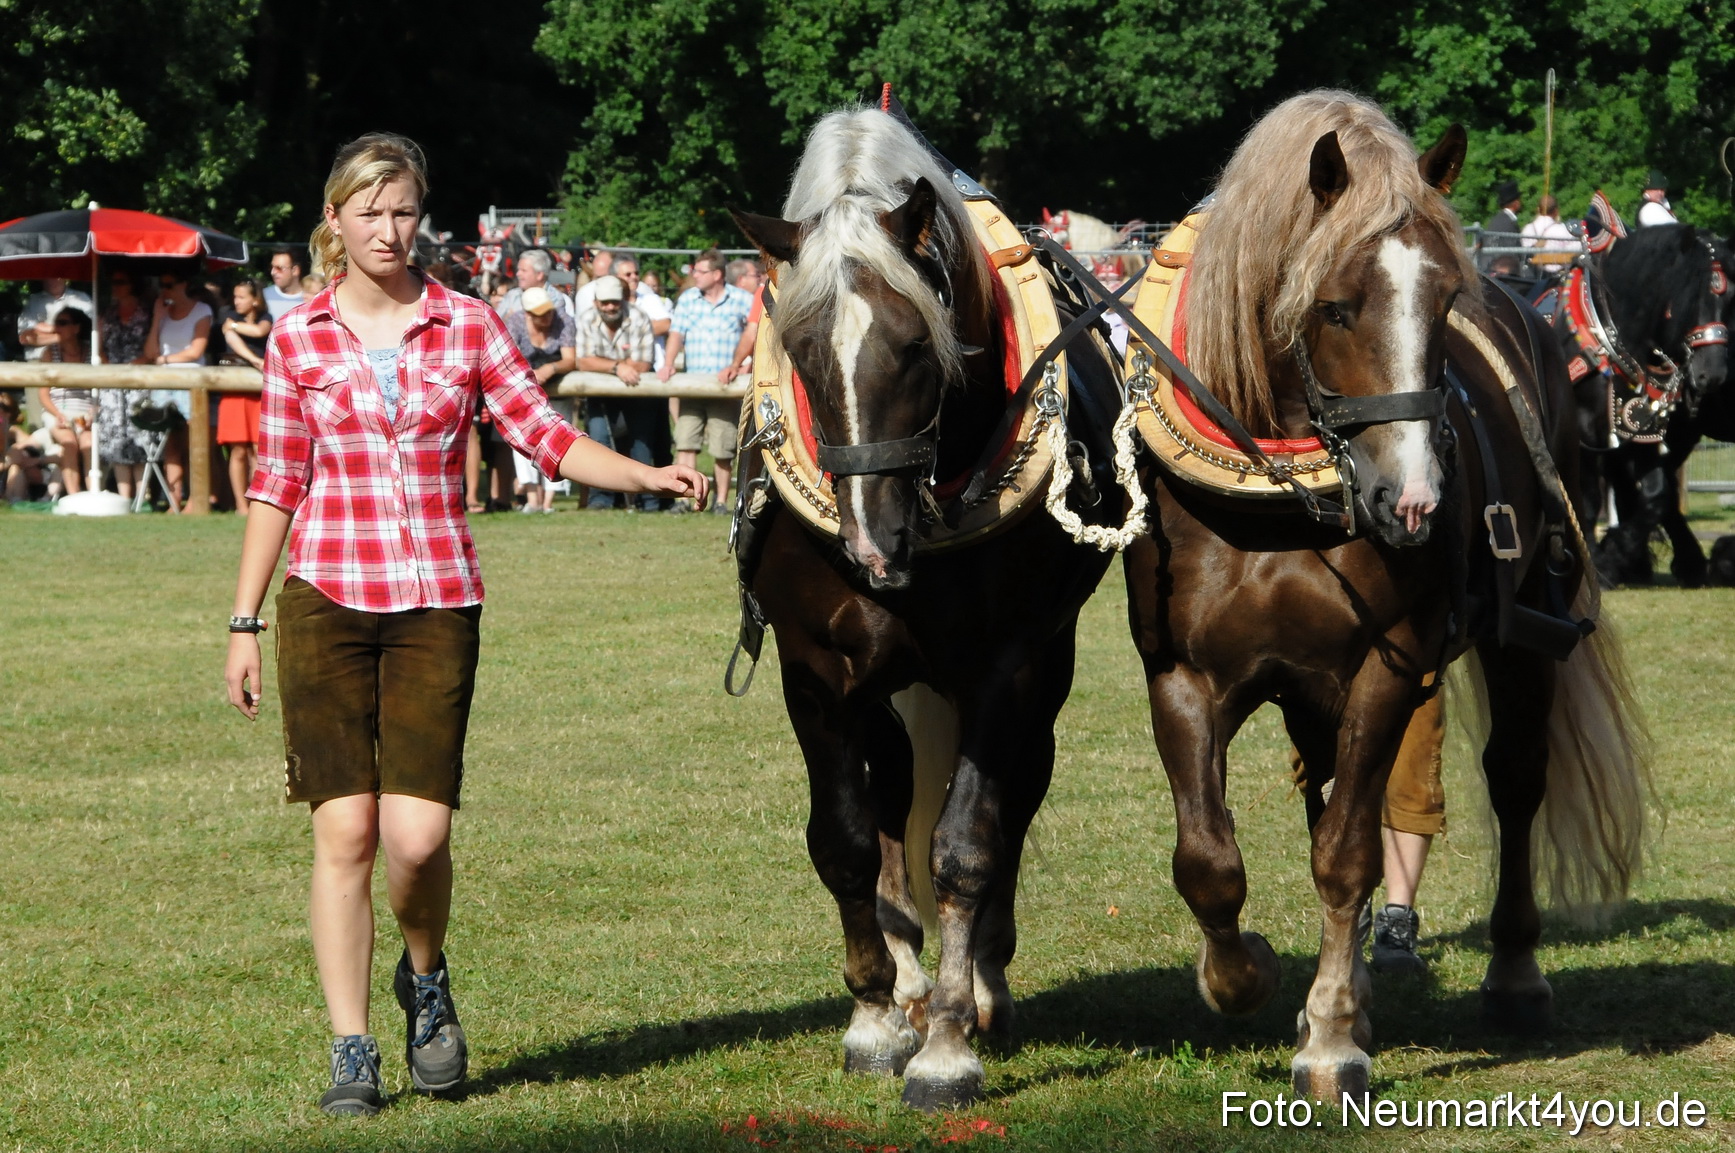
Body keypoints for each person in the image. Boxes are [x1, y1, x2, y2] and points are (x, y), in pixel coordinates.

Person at [222, 133, 705, 1117]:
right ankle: (352, 1045)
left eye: (401, 210)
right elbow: (276, 483)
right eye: (367, 210)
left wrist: (648, 475)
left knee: (416, 836)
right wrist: (242, 621)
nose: (386, 228)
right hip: (323, 596)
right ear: (335, 220)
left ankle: (426, 976)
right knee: (346, 829)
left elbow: (546, 433)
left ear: (420, 214)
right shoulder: (297, 336)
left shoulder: (469, 324)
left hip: (437, 596)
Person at [660, 248, 753, 513]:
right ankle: (683, 499)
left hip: (724, 388)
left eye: (700, 271)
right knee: (686, 442)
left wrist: (745, 365)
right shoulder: (688, 299)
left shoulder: (741, 300)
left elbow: (756, 334)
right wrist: (668, 364)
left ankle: (721, 501)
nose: (694, 276)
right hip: (692, 385)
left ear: (717, 274)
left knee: (723, 448)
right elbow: (676, 334)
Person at [573, 275, 658, 510]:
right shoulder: (586, 319)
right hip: (599, 394)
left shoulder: (639, 317)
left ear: (623, 300)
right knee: (598, 442)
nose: (610, 307)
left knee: (641, 445)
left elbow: (643, 362)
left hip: (637, 392)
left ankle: (647, 499)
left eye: (615, 302)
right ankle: (600, 499)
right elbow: (582, 361)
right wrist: (618, 366)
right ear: (596, 302)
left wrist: (604, 364)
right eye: (605, 302)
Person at [144, 271, 213, 510]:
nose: (165, 290)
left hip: (191, 383)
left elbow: (196, 351)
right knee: (170, 444)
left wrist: (164, 360)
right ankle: (173, 502)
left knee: (195, 442)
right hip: (165, 385)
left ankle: (196, 499)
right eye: (161, 285)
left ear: (184, 283)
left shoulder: (202, 310)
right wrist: (156, 318)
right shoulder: (162, 314)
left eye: (169, 284)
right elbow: (150, 352)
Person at [502, 286, 575, 512]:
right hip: (524, 391)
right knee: (523, 440)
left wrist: (550, 368)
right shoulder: (514, 323)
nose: (547, 318)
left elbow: (570, 359)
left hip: (559, 388)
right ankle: (533, 499)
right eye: (540, 314)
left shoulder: (565, 321)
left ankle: (549, 501)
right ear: (527, 314)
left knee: (562, 437)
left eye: (548, 312)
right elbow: (507, 359)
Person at [95, 271, 154, 500]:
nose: (115, 286)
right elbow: (99, 349)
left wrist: (130, 368)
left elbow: (151, 352)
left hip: (140, 381)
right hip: (111, 383)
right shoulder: (107, 315)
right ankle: (124, 497)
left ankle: (142, 497)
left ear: (133, 285)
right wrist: (111, 368)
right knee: (115, 440)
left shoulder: (147, 313)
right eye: (113, 281)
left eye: (121, 282)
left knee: (139, 438)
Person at [218, 280, 274, 516]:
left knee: (258, 450)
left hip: (259, 393)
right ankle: (241, 506)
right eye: (235, 296)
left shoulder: (266, 317)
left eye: (241, 297)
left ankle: (256, 504)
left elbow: (261, 331)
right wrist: (255, 360)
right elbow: (229, 337)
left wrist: (235, 327)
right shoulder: (228, 315)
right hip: (234, 390)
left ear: (255, 299)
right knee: (237, 450)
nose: (236, 302)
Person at [37, 310, 96, 494]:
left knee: (88, 443)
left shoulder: (92, 353)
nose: (57, 328)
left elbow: (103, 388)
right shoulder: (49, 353)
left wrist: (92, 414)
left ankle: (93, 492)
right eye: (56, 323)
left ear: (77, 328)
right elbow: (43, 394)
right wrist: (58, 415)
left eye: (62, 323)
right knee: (69, 442)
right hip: (57, 411)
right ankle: (74, 494)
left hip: (86, 413)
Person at [16, 278, 94, 362]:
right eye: (49, 276)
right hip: (37, 361)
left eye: (62, 323)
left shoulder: (82, 299)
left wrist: (43, 328)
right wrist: (65, 335)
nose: (53, 279)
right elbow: (24, 338)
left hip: (78, 360)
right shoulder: (33, 302)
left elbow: (92, 331)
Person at [497, 250, 572, 320]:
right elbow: (495, 326)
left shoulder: (555, 298)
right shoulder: (512, 295)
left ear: (539, 275)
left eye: (523, 270)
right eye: (518, 270)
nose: (518, 274)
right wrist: (506, 320)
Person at [1476, 180, 1522, 273]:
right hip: (1501, 271)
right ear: (1515, 203)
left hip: (1488, 268)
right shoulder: (1509, 223)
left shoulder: (1496, 220)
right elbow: (1514, 251)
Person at [264, 251, 306, 321]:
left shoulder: (310, 298)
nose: (273, 272)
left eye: (279, 268)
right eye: (271, 267)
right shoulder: (263, 296)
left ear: (295, 270)